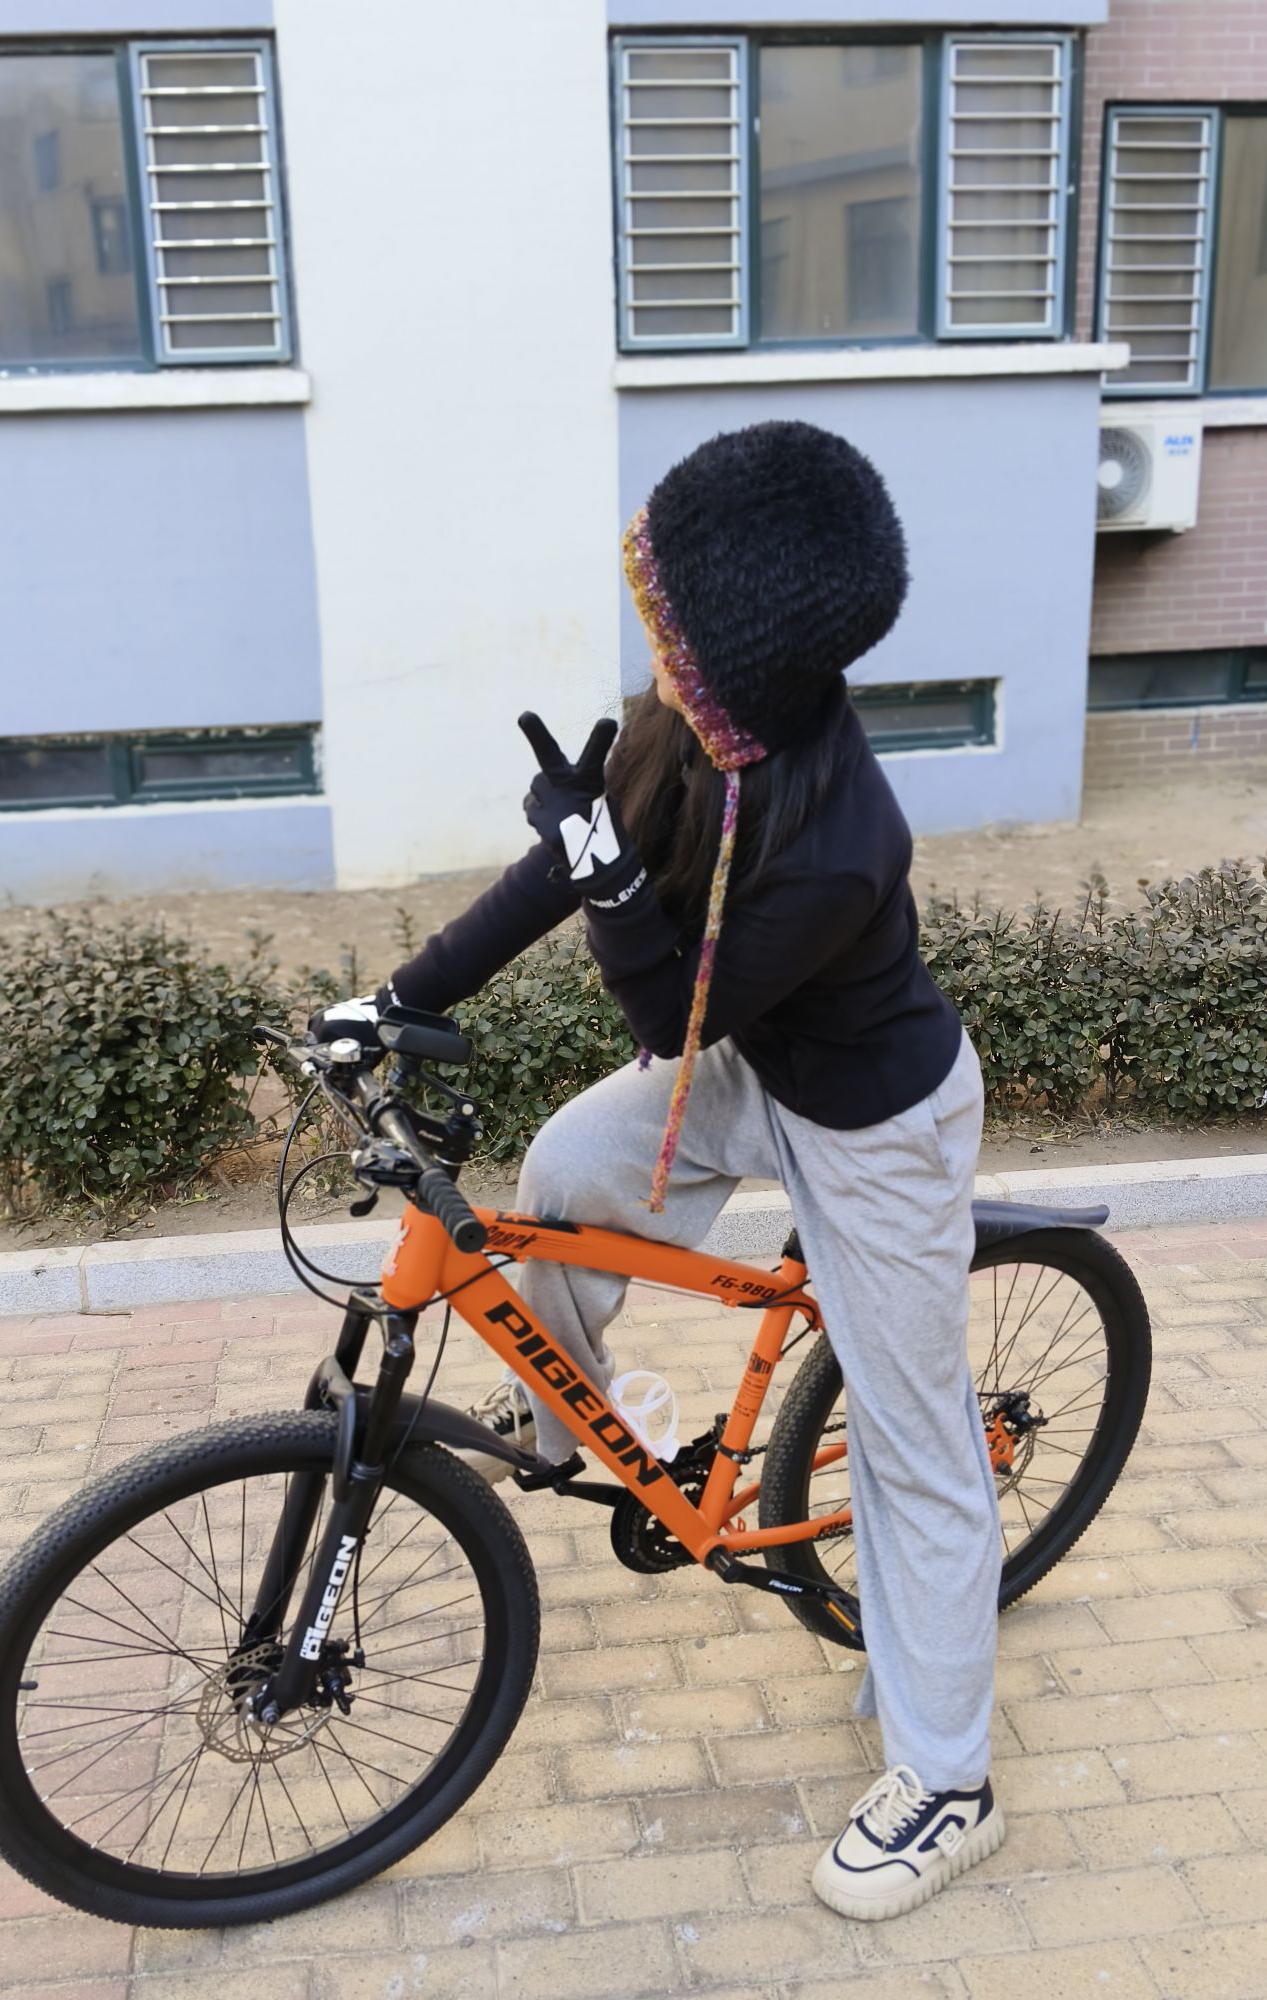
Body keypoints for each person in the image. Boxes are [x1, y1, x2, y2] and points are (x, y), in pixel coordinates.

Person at [312, 420, 1004, 1921]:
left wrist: (615, 881)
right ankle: (576, 1417)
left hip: (876, 1121)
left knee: (914, 1452)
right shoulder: (690, 723)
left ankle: (952, 1784)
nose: (650, 647)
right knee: (565, 1168)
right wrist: (399, 995)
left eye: (671, 625)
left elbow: (666, 1012)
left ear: (741, 656)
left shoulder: (846, 838)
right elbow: (566, 868)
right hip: (753, 1061)